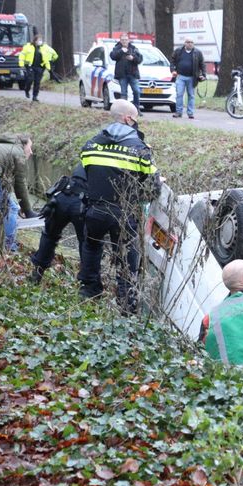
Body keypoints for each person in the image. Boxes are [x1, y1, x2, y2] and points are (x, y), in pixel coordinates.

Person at [77, 100, 159, 312]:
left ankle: (89, 292)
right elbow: (152, 185)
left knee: (91, 247)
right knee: (126, 255)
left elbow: (89, 174)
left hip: (94, 209)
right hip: (123, 212)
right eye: (136, 119)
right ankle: (126, 303)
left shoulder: (89, 145)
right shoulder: (139, 149)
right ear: (127, 118)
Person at [29, 162, 87, 283]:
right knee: (88, 244)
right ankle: (86, 285)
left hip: (63, 197)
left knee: (49, 235)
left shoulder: (91, 152)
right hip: (82, 203)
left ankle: (37, 274)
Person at [171, 37, 205, 120]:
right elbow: (172, 61)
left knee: (191, 95)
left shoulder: (197, 52)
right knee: (179, 94)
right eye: (188, 42)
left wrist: (203, 75)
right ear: (184, 43)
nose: (190, 43)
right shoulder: (178, 51)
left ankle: (190, 113)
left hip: (192, 77)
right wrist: (173, 70)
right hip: (180, 76)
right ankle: (178, 112)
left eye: (191, 42)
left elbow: (202, 64)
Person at [18, 34, 58, 102]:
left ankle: (35, 96)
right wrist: (21, 64)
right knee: (30, 79)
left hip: (40, 67)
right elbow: (22, 55)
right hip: (30, 66)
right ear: (35, 40)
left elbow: (54, 55)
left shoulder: (45, 48)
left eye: (41, 40)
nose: (40, 41)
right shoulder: (28, 47)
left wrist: (50, 63)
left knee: (37, 82)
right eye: (39, 40)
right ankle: (27, 89)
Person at [110, 35, 144, 110]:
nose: (124, 41)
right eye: (122, 40)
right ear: (120, 40)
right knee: (123, 93)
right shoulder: (117, 48)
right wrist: (121, 51)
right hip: (122, 75)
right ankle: (124, 110)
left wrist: (133, 58)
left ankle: (136, 109)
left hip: (133, 74)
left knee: (136, 91)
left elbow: (140, 59)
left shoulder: (134, 48)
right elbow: (113, 56)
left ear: (128, 40)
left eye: (126, 40)